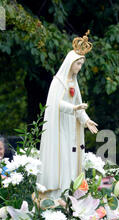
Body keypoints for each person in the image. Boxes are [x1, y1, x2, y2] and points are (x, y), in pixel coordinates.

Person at [38, 31, 98, 199]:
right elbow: (55, 104)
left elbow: (79, 107)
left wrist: (86, 120)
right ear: (70, 63)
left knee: (72, 163)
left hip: (72, 131)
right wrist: (73, 108)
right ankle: (58, 197)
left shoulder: (74, 83)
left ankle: (71, 198)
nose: (79, 68)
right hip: (60, 130)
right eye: (77, 64)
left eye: (81, 65)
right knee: (62, 162)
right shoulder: (58, 82)